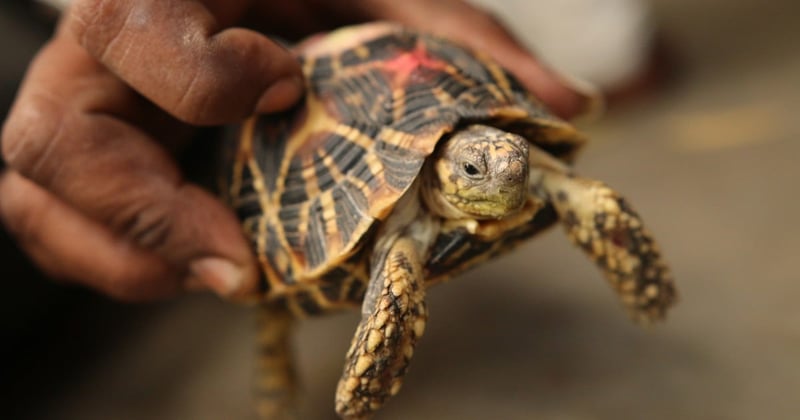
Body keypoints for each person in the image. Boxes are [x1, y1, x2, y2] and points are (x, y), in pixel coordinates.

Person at [0, 0, 594, 301]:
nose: (501, 179)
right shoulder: (401, 242)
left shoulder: (508, 161)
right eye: (473, 169)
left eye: (510, 159)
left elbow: (579, 195)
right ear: (444, 170)